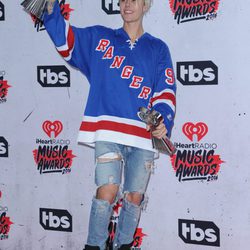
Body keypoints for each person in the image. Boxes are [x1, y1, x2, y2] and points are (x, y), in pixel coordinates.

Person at [43, 0, 176, 249]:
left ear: (145, 5)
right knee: (107, 191)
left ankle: (124, 245)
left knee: (134, 197)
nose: (127, 4)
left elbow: (165, 90)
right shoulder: (100, 39)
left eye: (135, 0)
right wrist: (51, 7)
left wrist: (162, 120)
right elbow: (66, 40)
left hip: (141, 135)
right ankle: (93, 246)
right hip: (108, 130)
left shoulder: (158, 48)